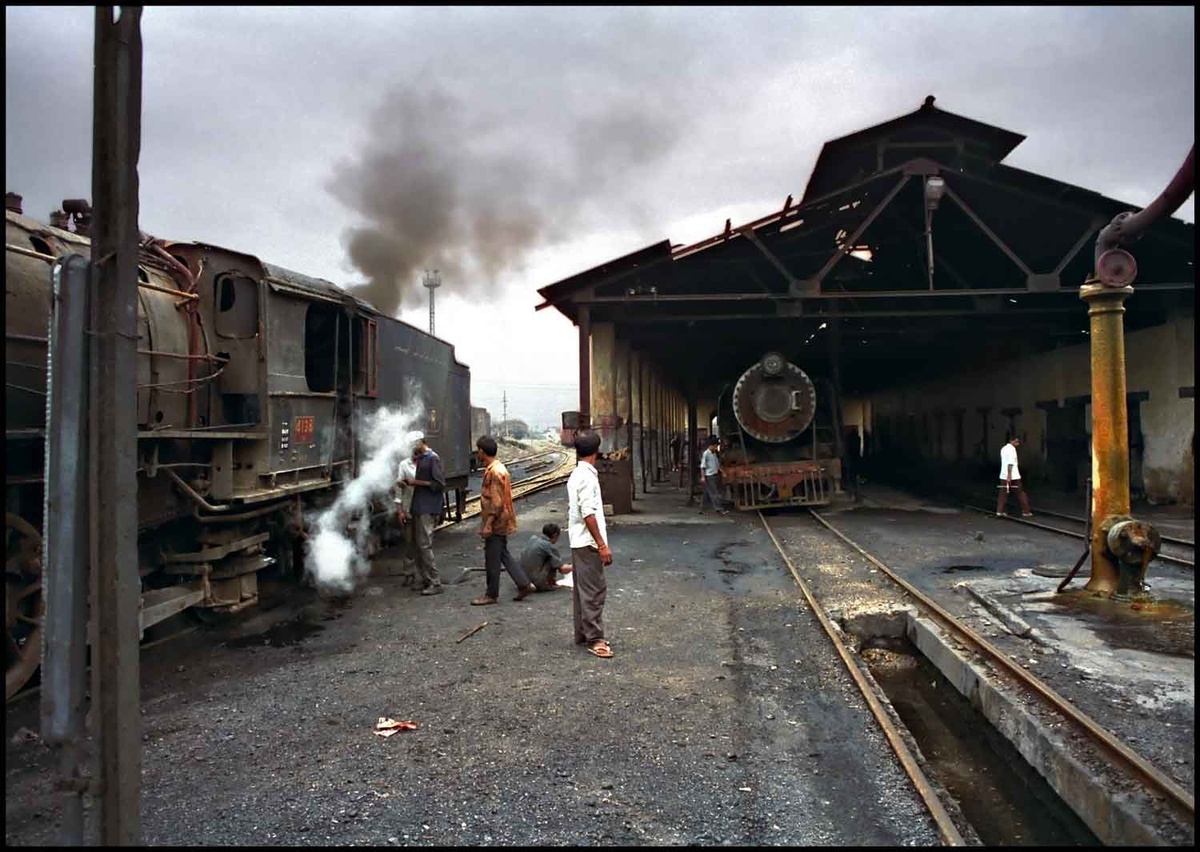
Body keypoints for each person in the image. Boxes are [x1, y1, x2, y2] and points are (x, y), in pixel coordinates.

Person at [471, 435, 536, 605]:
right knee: (502, 554)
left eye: (478, 451)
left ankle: (491, 594)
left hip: (497, 522)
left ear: (482, 451)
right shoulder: (498, 468)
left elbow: (497, 502)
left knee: (492, 558)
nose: (477, 454)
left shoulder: (495, 472)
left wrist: (488, 524)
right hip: (502, 519)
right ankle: (524, 584)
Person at [567, 431, 614, 658]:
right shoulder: (587, 477)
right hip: (588, 542)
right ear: (597, 451)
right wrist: (602, 545)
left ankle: (583, 634)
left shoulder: (577, 473)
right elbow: (588, 514)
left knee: (582, 590)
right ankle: (595, 639)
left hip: (579, 540)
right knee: (594, 591)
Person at [403, 432, 446, 595]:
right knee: (417, 545)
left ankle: (435, 582)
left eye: (413, 444)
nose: (411, 448)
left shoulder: (433, 458)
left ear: (420, 442)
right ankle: (425, 579)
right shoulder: (421, 458)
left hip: (428, 507)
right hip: (418, 506)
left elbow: (439, 484)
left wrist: (416, 482)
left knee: (424, 545)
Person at [391, 434, 421, 587]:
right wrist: (400, 510)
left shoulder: (429, 462)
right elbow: (399, 489)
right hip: (409, 508)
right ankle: (409, 573)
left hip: (424, 509)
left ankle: (425, 575)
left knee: (423, 544)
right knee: (409, 543)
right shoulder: (403, 465)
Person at [518, 522, 573, 592]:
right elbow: (562, 570)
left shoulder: (532, 539)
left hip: (523, 581)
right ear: (555, 535)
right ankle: (550, 584)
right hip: (536, 583)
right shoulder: (548, 546)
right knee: (552, 559)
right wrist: (576, 566)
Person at [996, 435, 1033, 518]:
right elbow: (1010, 463)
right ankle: (1026, 511)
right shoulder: (1012, 450)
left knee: (1003, 493)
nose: (1018, 444)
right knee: (1020, 493)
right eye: (1016, 442)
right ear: (1011, 441)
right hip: (1014, 476)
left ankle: (1000, 511)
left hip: (1003, 475)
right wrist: (1009, 475)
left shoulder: (1003, 449)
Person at [699, 435, 729, 514]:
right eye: (715, 446)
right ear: (711, 446)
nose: (716, 448)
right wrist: (702, 477)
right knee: (714, 493)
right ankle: (719, 509)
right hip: (709, 476)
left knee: (706, 493)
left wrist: (722, 472)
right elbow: (702, 466)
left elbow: (717, 465)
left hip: (714, 475)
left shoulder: (714, 453)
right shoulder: (706, 454)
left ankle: (702, 509)